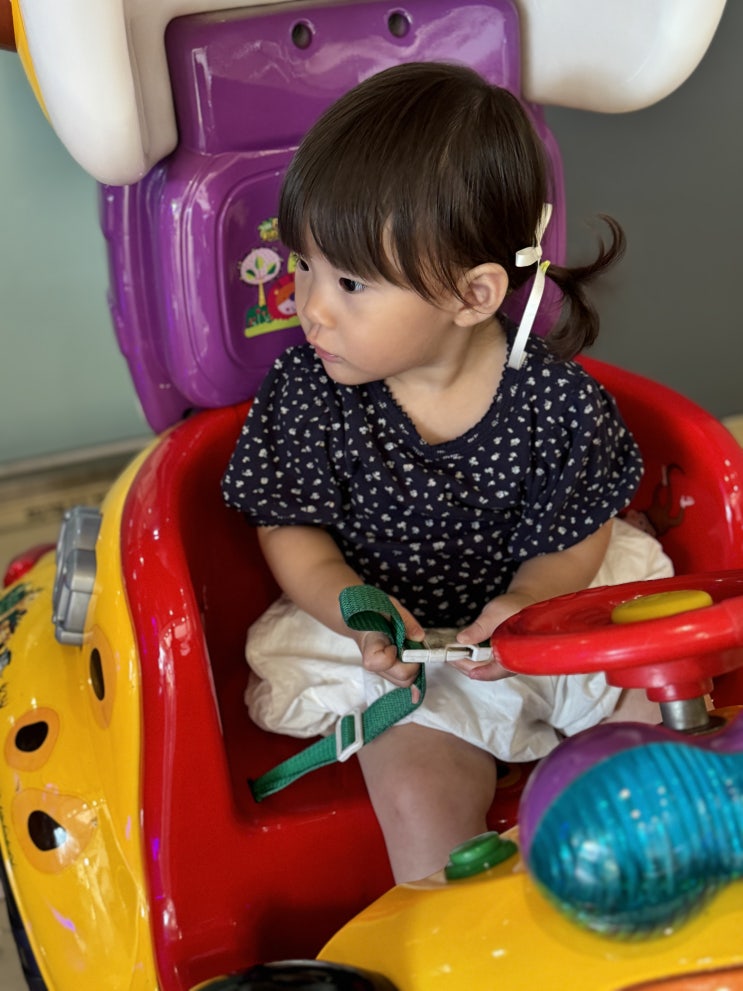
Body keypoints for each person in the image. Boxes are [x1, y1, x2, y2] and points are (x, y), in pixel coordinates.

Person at [222, 61, 672, 882]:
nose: (308, 305)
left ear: (472, 295)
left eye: (349, 282)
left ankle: (634, 887)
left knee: (656, 728)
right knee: (418, 797)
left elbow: (578, 533)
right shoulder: (310, 390)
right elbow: (289, 525)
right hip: (393, 649)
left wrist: (530, 601)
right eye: (303, 264)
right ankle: (453, 930)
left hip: (537, 620)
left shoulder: (555, 402)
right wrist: (352, 606)